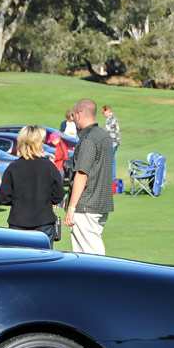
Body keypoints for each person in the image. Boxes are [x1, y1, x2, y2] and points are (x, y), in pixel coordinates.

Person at [63, 99, 114, 254]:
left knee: (90, 255)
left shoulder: (89, 138)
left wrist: (71, 208)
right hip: (101, 202)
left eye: (73, 115)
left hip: (86, 204)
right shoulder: (104, 135)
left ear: (79, 114)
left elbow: (81, 174)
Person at [0, 125, 65, 241]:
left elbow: (4, 197)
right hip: (44, 221)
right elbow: (58, 195)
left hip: (18, 222)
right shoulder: (48, 166)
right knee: (44, 258)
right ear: (39, 143)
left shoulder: (13, 167)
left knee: (20, 258)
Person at [102, 105, 121, 179]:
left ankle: (111, 178)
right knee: (112, 160)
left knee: (109, 161)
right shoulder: (114, 118)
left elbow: (106, 130)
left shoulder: (110, 119)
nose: (103, 114)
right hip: (115, 142)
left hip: (111, 143)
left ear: (107, 111)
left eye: (103, 112)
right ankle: (112, 178)